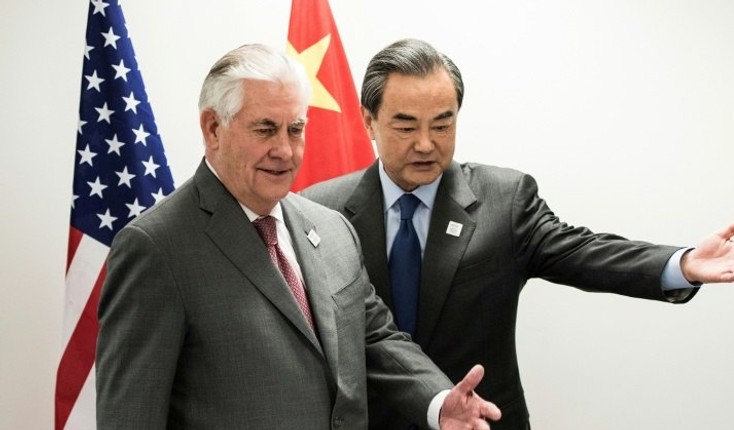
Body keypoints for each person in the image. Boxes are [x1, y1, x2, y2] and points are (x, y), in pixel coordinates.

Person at [300, 38, 734, 429]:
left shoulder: (504, 200)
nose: (427, 143)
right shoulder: (319, 210)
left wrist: (681, 264)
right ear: (369, 121)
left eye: (443, 124)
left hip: (485, 422)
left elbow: (584, 251)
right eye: (406, 126)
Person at [95, 43, 502, 430]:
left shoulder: (332, 228)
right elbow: (131, 418)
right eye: (266, 129)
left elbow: (373, 337)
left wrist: (438, 400)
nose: (286, 151)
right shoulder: (155, 247)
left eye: (295, 129)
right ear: (213, 128)